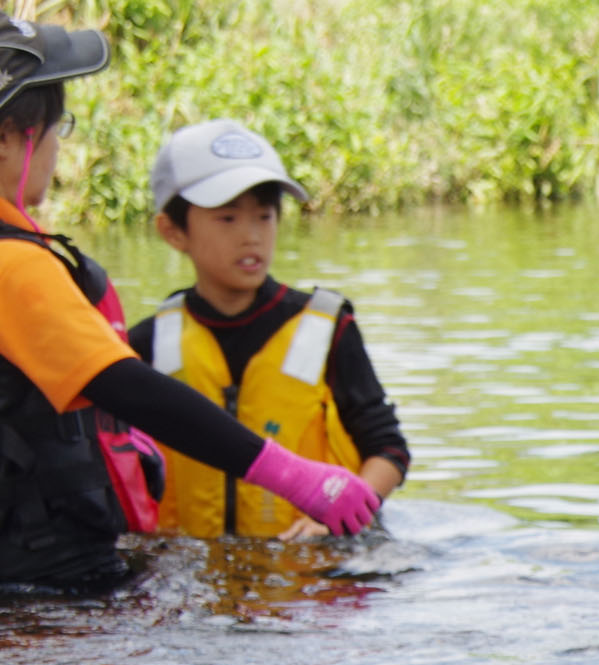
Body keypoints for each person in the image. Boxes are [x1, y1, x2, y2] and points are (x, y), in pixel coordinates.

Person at [0, 21, 377, 595]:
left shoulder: (328, 325)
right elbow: (125, 386)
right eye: (58, 129)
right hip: (41, 580)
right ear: (9, 137)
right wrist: (293, 475)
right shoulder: (14, 265)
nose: (57, 147)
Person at [129, 120, 408, 540]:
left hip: (308, 566)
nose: (252, 236)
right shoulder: (145, 344)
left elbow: (388, 449)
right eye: (228, 219)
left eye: (265, 215)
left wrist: (336, 517)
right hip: (189, 564)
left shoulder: (330, 328)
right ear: (173, 231)